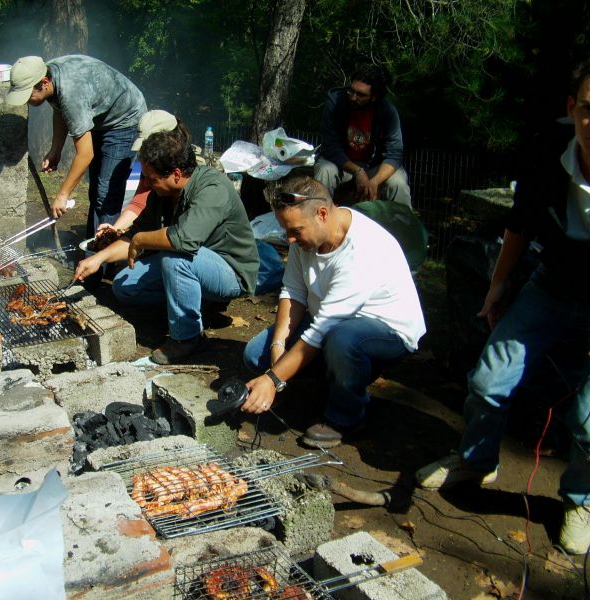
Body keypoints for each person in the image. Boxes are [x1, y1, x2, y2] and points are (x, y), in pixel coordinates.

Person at [415, 60, 590, 555]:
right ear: (572, 108)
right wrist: (497, 286)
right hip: (552, 284)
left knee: (587, 419)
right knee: (490, 378)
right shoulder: (547, 154)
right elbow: (519, 225)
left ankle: (581, 498)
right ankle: (476, 459)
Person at [240, 176, 425, 447]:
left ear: (322, 214)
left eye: (296, 231)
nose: (290, 239)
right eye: (286, 230)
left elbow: (322, 330)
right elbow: (292, 292)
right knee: (256, 354)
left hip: (383, 330)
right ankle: (326, 380)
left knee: (342, 340)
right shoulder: (305, 240)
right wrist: (279, 346)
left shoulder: (362, 249)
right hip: (328, 320)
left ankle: (346, 416)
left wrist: (274, 377)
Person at [74, 130, 259, 365]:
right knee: (125, 286)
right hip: (193, 262)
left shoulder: (213, 187)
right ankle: (196, 304)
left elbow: (182, 240)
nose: (147, 185)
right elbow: (133, 237)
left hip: (230, 272)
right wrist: (98, 258)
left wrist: (141, 240)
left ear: (176, 174)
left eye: (152, 179)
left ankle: (188, 338)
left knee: (175, 258)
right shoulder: (162, 193)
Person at [5, 55, 146, 240]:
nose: (27, 101)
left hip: (125, 121)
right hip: (101, 117)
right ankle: (93, 244)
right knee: (96, 189)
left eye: (28, 94)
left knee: (106, 193)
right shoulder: (50, 74)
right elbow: (59, 110)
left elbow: (85, 154)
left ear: (44, 82)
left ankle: (103, 260)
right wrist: (56, 150)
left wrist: (63, 194)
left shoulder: (71, 92)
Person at [95, 110, 204, 237]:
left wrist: (141, 240)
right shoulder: (152, 165)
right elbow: (139, 202)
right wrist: (116, 229)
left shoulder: (191, 167)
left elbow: (187, 235)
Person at [314, 65, 411, 207]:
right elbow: (330, 146)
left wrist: (375, 181)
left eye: (361, 95)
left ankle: (403, 227)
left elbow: (394, 154)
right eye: (351, 91)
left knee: (398, 183)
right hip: (340, 163)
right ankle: (317, 221)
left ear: (374, 97)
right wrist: (358, 172)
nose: (353, 97)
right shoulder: (335, 102)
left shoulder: (388, 112)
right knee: (325, 170)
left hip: (373, 167)